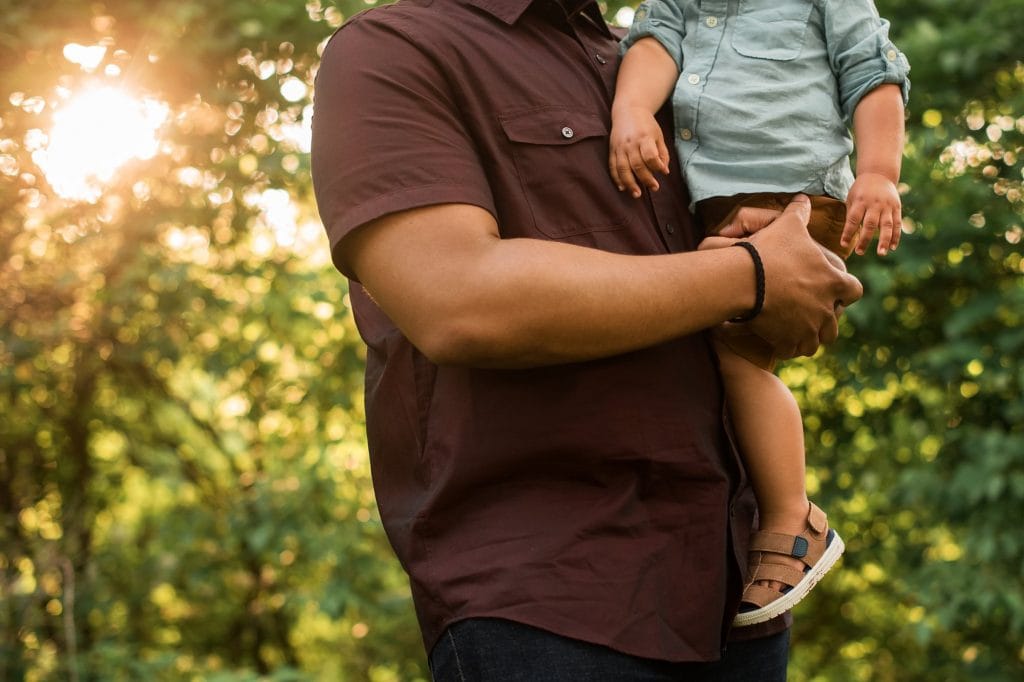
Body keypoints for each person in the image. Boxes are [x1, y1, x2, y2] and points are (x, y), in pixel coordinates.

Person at [311, 1, 862, 679]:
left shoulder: (660, 57)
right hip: (548, 603)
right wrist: (746, 274)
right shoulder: (395, 48)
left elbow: (782, 287)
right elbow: (458, 301)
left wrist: (771, 240)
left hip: (739, 603)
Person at [608, 0, 909, 627]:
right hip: (712, 209)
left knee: (738, 358)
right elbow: (654, 44)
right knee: (701, 354)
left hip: (799, 202)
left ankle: (790, 516)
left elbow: (871, 73)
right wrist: (633, 111)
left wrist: (878, 172)